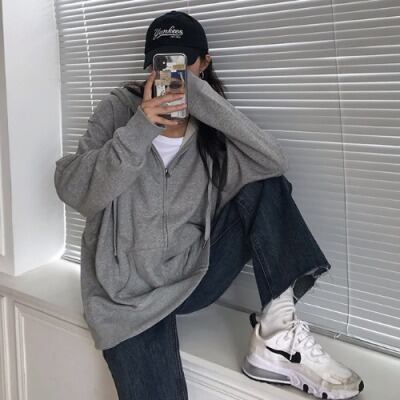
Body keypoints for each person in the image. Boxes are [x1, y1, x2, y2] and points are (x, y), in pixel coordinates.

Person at [54, 10, 364, 400]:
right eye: (162, 63)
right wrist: (140, 129)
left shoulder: (212, 128)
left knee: (264, 184)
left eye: (184, 62)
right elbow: (73, 189)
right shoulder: (119, 110)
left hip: (192, 278)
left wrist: (200, 98)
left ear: (204, 63)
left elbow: (273, 162)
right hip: (125, 294)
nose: (173, 74)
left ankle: (277, 335)